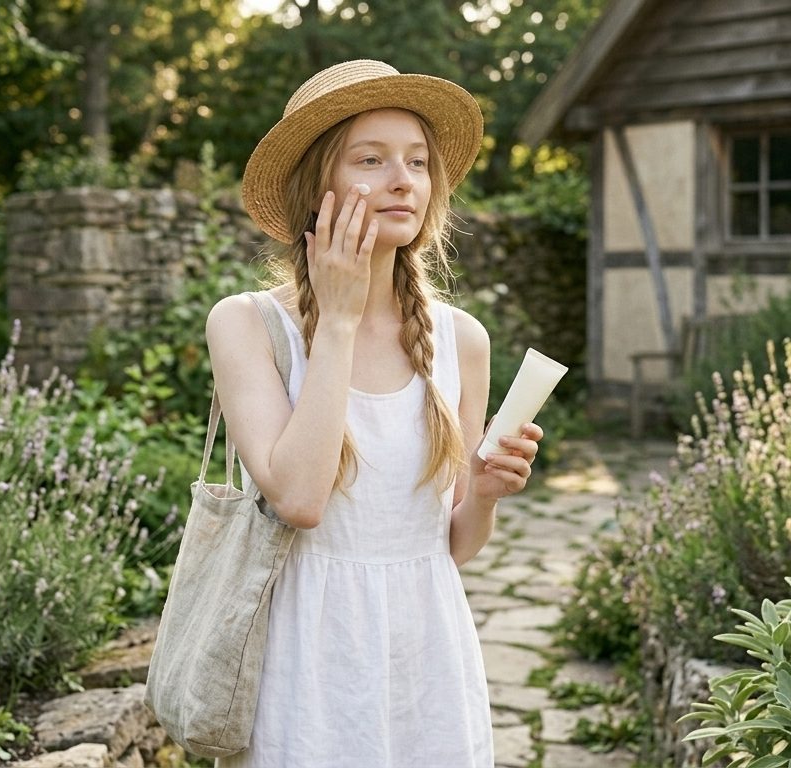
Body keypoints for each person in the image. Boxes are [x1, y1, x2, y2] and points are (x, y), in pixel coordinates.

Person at [206, 59, 545, 767]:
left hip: (428, 664)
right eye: (371, 159)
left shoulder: (462, 340)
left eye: (418, 162)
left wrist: (484, 495)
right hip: (305, 663)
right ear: (316, 188)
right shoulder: (247, 325)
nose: (403, 180)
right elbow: (300, 500)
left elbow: (447, 546)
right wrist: (337, 319)